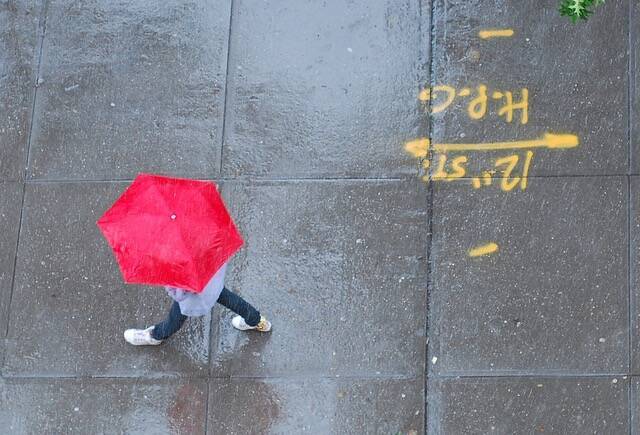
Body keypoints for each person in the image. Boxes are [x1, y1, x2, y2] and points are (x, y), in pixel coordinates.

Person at [124, 263, 271, 346]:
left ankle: (155, 336)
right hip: (213, 284)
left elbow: (178, 294)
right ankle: (256, 320)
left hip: (192, 296)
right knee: (231, 300)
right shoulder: (202, 233)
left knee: (175, 320)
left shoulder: (172, 261)